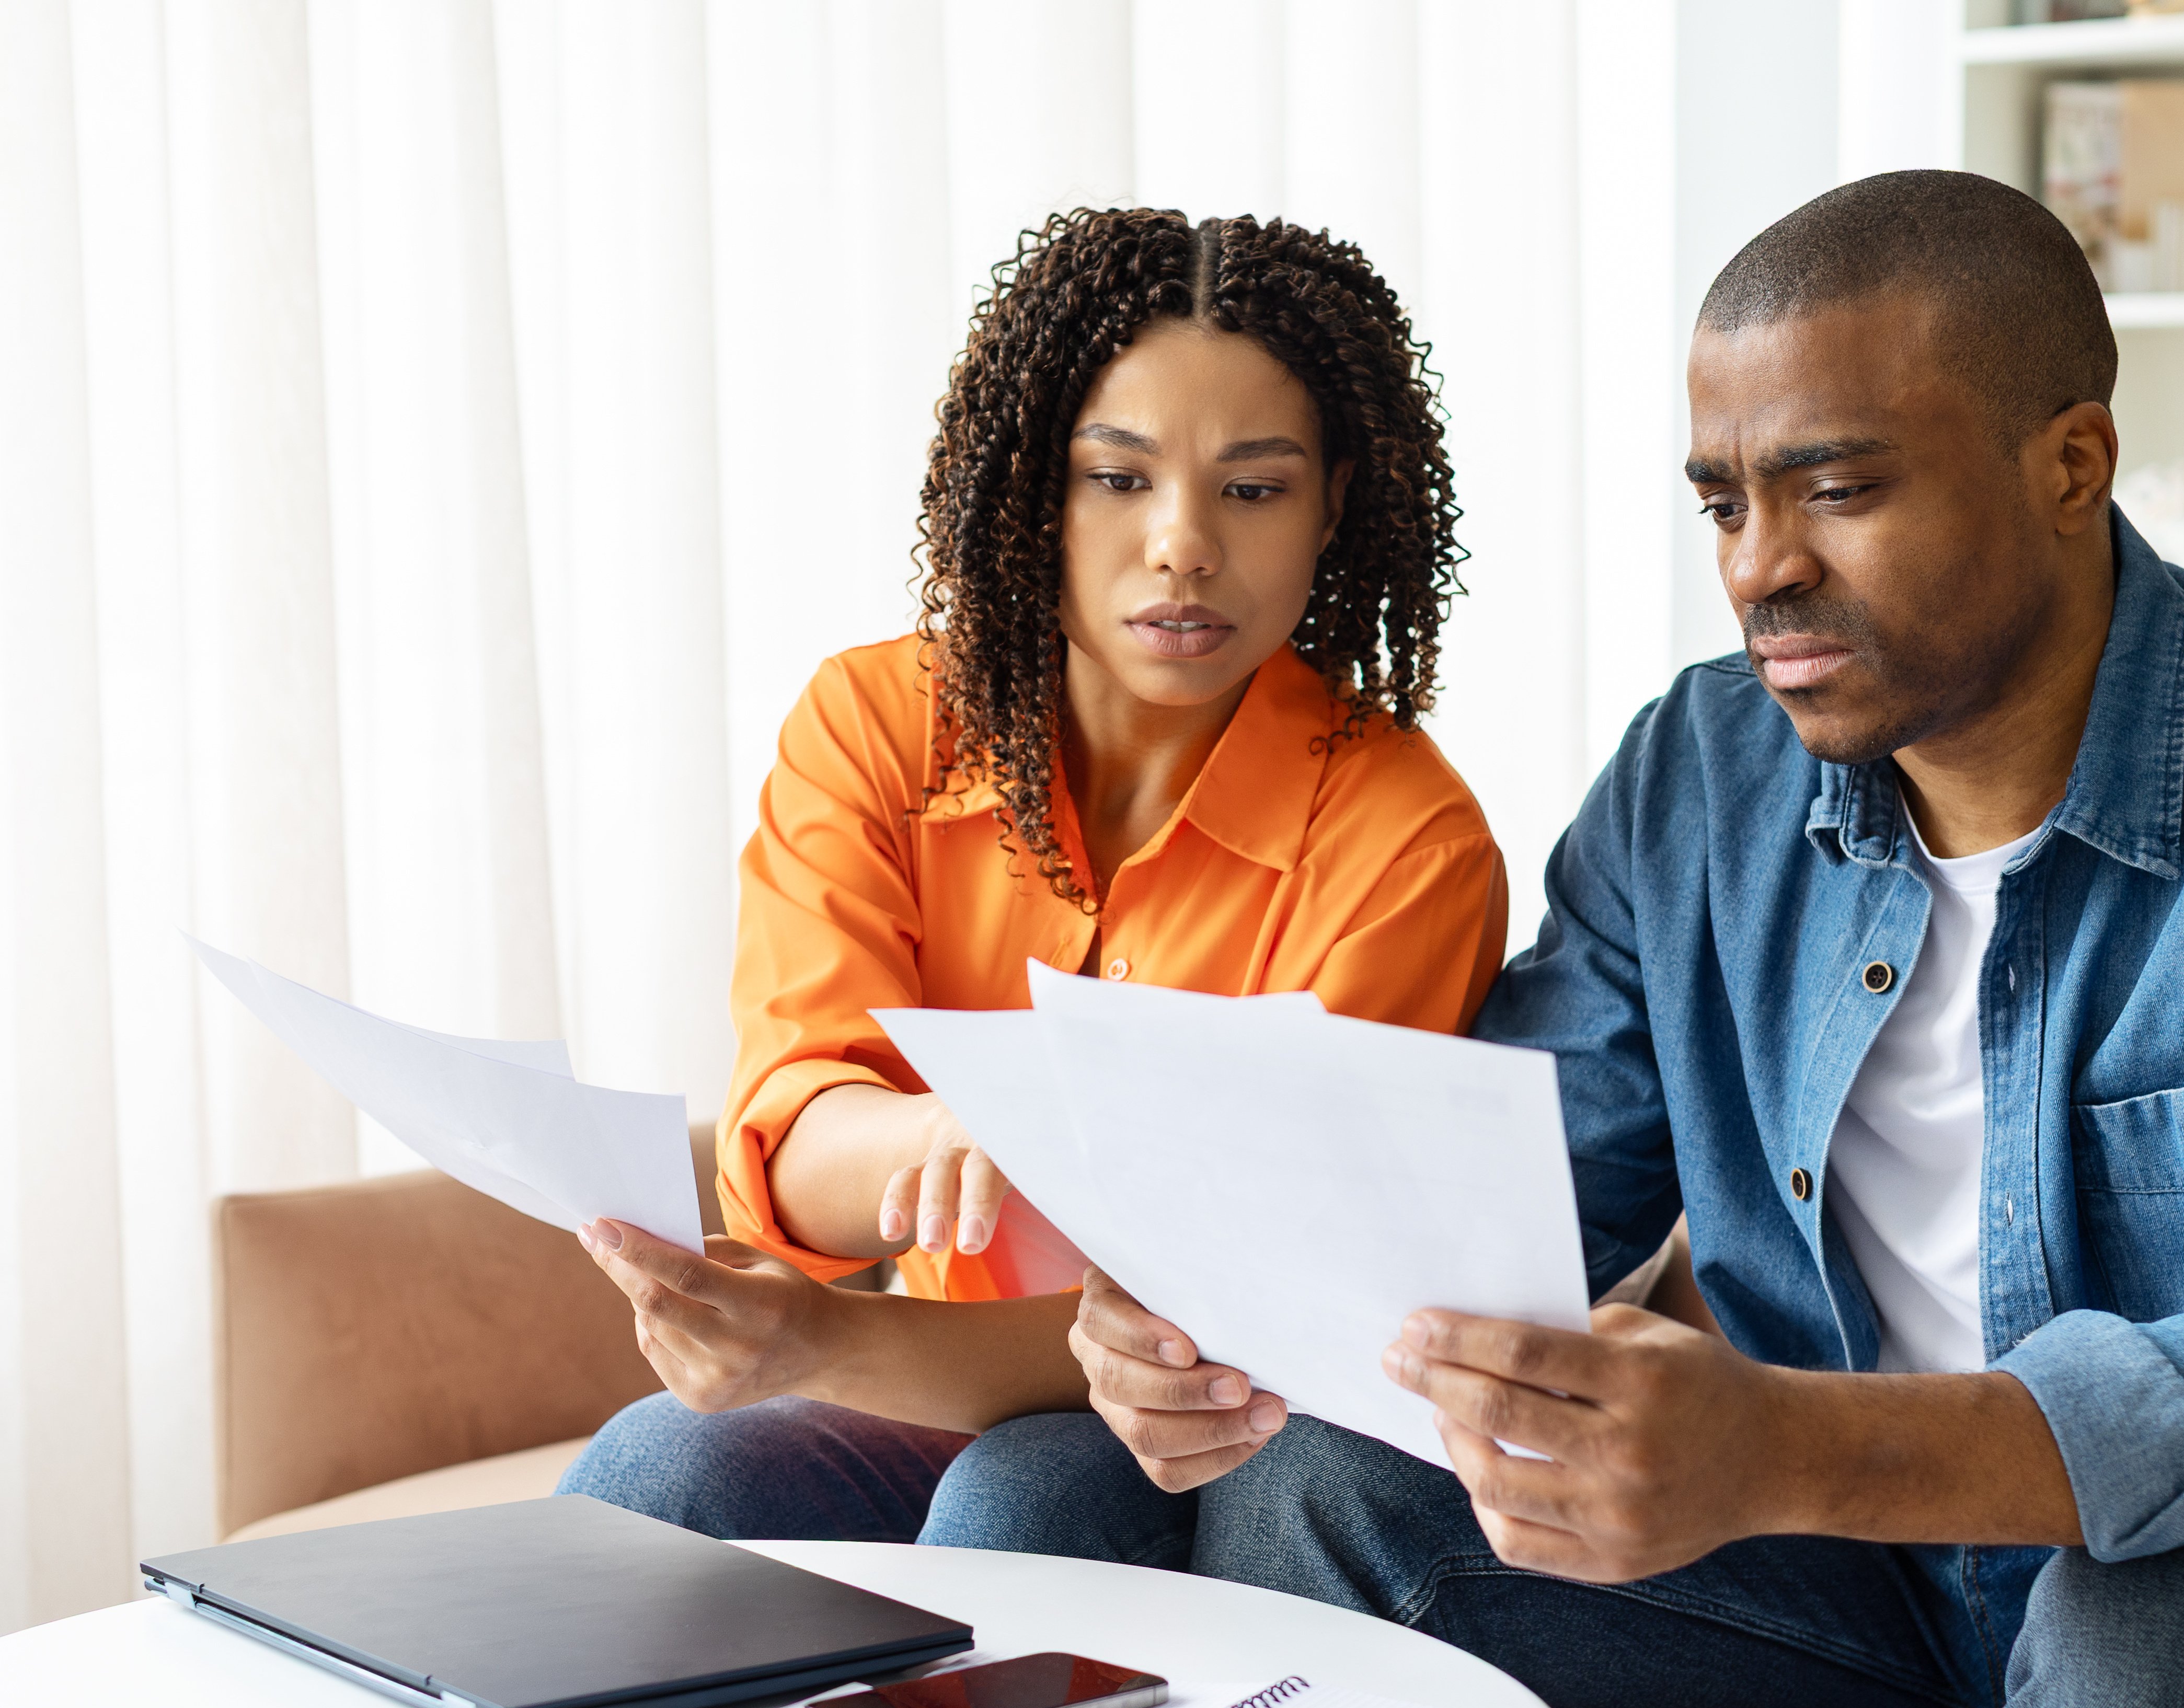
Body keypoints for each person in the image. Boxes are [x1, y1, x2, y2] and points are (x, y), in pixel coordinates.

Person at [917, 171, 2184, 1708]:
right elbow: (1497, 1211)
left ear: (2072, 464)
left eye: (1839, 487)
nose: (1762, 564)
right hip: (1875, 1576)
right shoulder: (1697, 782)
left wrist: (1780, 1445)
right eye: (1725, 502)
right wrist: (1217, 1322)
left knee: (2143, 1644)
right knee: (1314, 1496)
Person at [559, 207, 1508, 1544]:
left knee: (1027, 1502)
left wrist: (822, 1344)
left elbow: (1230, 1317)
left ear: (1332, 506)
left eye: (1252, 487)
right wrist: (955, 1134)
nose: (1181, 543)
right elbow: (789, 1136)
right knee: (659, 1470)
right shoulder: (875, 723)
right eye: (1116, 478)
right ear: (1034, 491)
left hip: (1216, 1432)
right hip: (926, 1368)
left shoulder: (1405, 844)